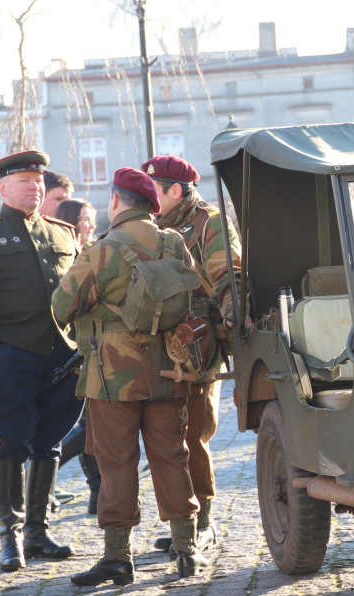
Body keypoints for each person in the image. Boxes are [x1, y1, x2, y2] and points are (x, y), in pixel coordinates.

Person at [52, 167, 204, 585]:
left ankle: (118, 559)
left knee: (116, 462)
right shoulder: (174, 243)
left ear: (116, 201)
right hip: (169, 370)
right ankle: (186, 551)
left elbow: (61, 304)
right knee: (172, 457)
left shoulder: (103, 249)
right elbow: (192, 297)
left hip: (112, 376)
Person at [0, 150, 80, 572]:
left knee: (51, 442)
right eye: (23, 180)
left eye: (37, 180)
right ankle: (11, 535)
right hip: (14, 355)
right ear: (2, 187)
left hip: (61, 356)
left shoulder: (64, 233)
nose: (33, 187)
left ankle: (39, 533)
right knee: (14, 440)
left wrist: (80, 344)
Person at [141, 154, 242, 558]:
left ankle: (205, 522)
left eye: (156, 191)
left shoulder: (208, 221)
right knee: (166, 437)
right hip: (160, 343)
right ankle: (183, 520)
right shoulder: (153, 225)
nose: (149, 198)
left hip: (199, 344)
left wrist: (235, 314)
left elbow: (227, 272)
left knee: (193, 434)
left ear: (177, 191)